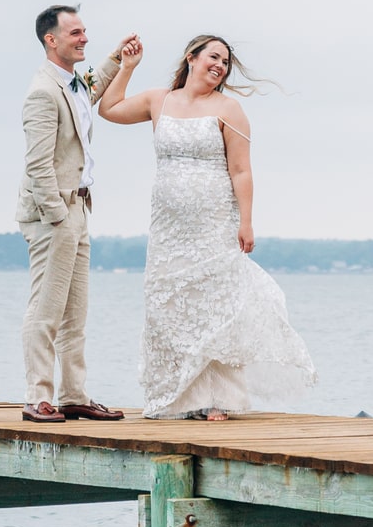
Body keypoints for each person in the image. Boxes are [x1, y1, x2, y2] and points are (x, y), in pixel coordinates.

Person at [98, 32, 315, 419]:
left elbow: (242, 170)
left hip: (214, 222)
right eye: (214, 57)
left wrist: (246, 222)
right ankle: (178, 398)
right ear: (191, 58)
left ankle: (221, 399)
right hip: (168, 227)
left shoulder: (229, 109)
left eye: (226, 62)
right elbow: (109, 108)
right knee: (168, 304)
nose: (220, 66)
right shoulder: (158, 100)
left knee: (216, 306)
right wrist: (127, 68)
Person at [17, 4, 138, 423]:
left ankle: (73, 395)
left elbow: (93, 86)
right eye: (75, 33)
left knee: (75, 312)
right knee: (46, 309)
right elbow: (38, 165)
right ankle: (38, 396)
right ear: (51, 40)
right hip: (55, 213)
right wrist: (56, 215)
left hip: (79, 208)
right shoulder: (42, 92)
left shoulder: (72, 83)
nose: (84, 38)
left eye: (85, 31)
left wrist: (119, 59)